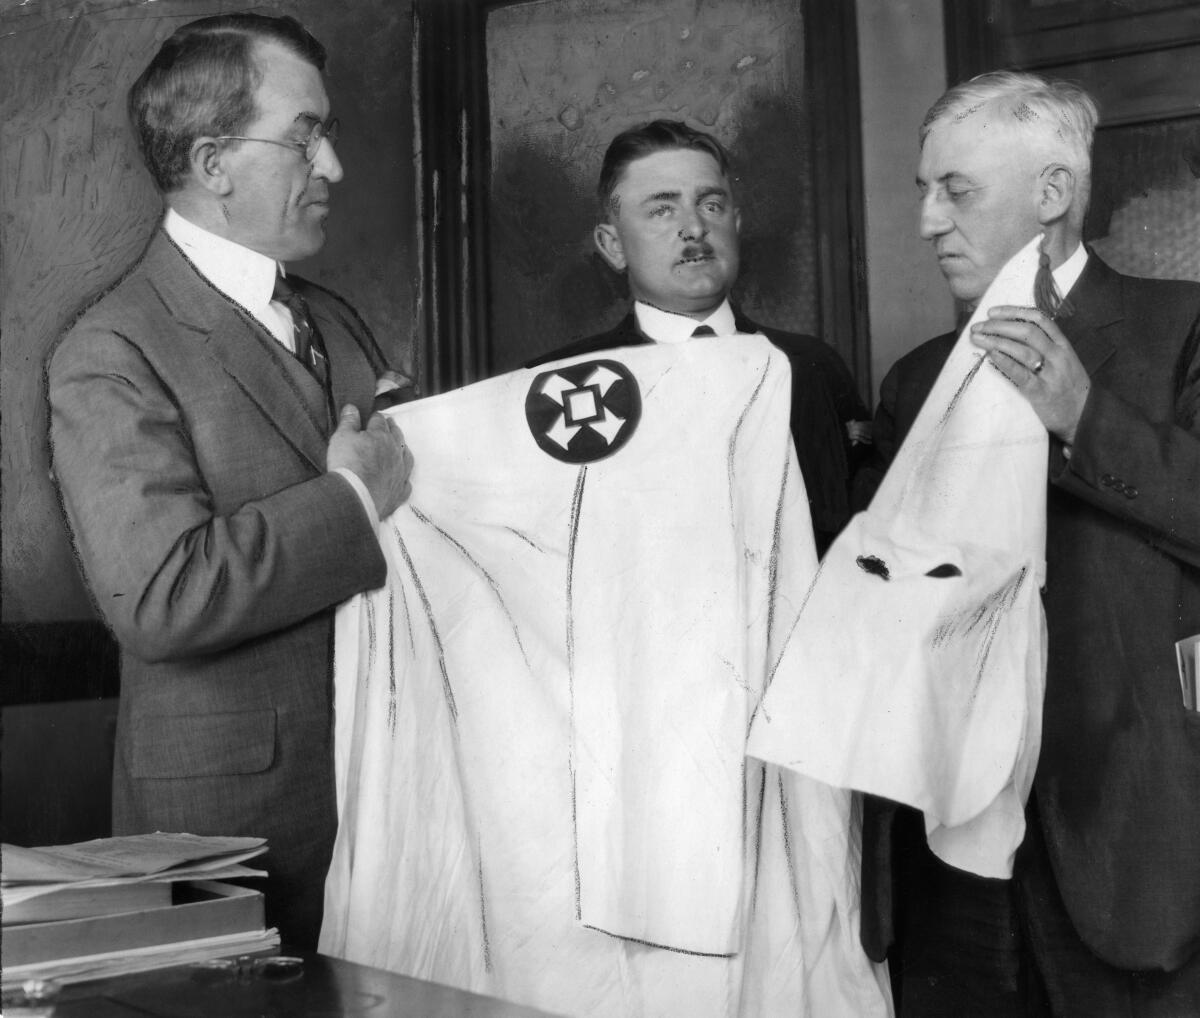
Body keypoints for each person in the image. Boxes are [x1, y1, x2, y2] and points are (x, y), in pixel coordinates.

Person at [47, 13, 413, 949]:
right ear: (213, 164)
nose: (331, 167)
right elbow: (162, 597)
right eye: (305, 137)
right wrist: (355, 499)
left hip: (397, 808)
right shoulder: (110, 350)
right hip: (232, 842)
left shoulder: (333, 320)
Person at [856, 71, 1200, 1016]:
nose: (928, 222)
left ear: (1051, 193)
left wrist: (1085, 415)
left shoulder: (1185, 328)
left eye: (955, 191)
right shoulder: (915, 380)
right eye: (923, 191)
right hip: (948, 859)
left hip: (1135, 847)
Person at [528, 119, 870, 553]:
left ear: (736, 224)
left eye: (711, 205)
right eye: (661, 209)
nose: (694, 227)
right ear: (613, 245)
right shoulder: (559, 384)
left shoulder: (811, 365)